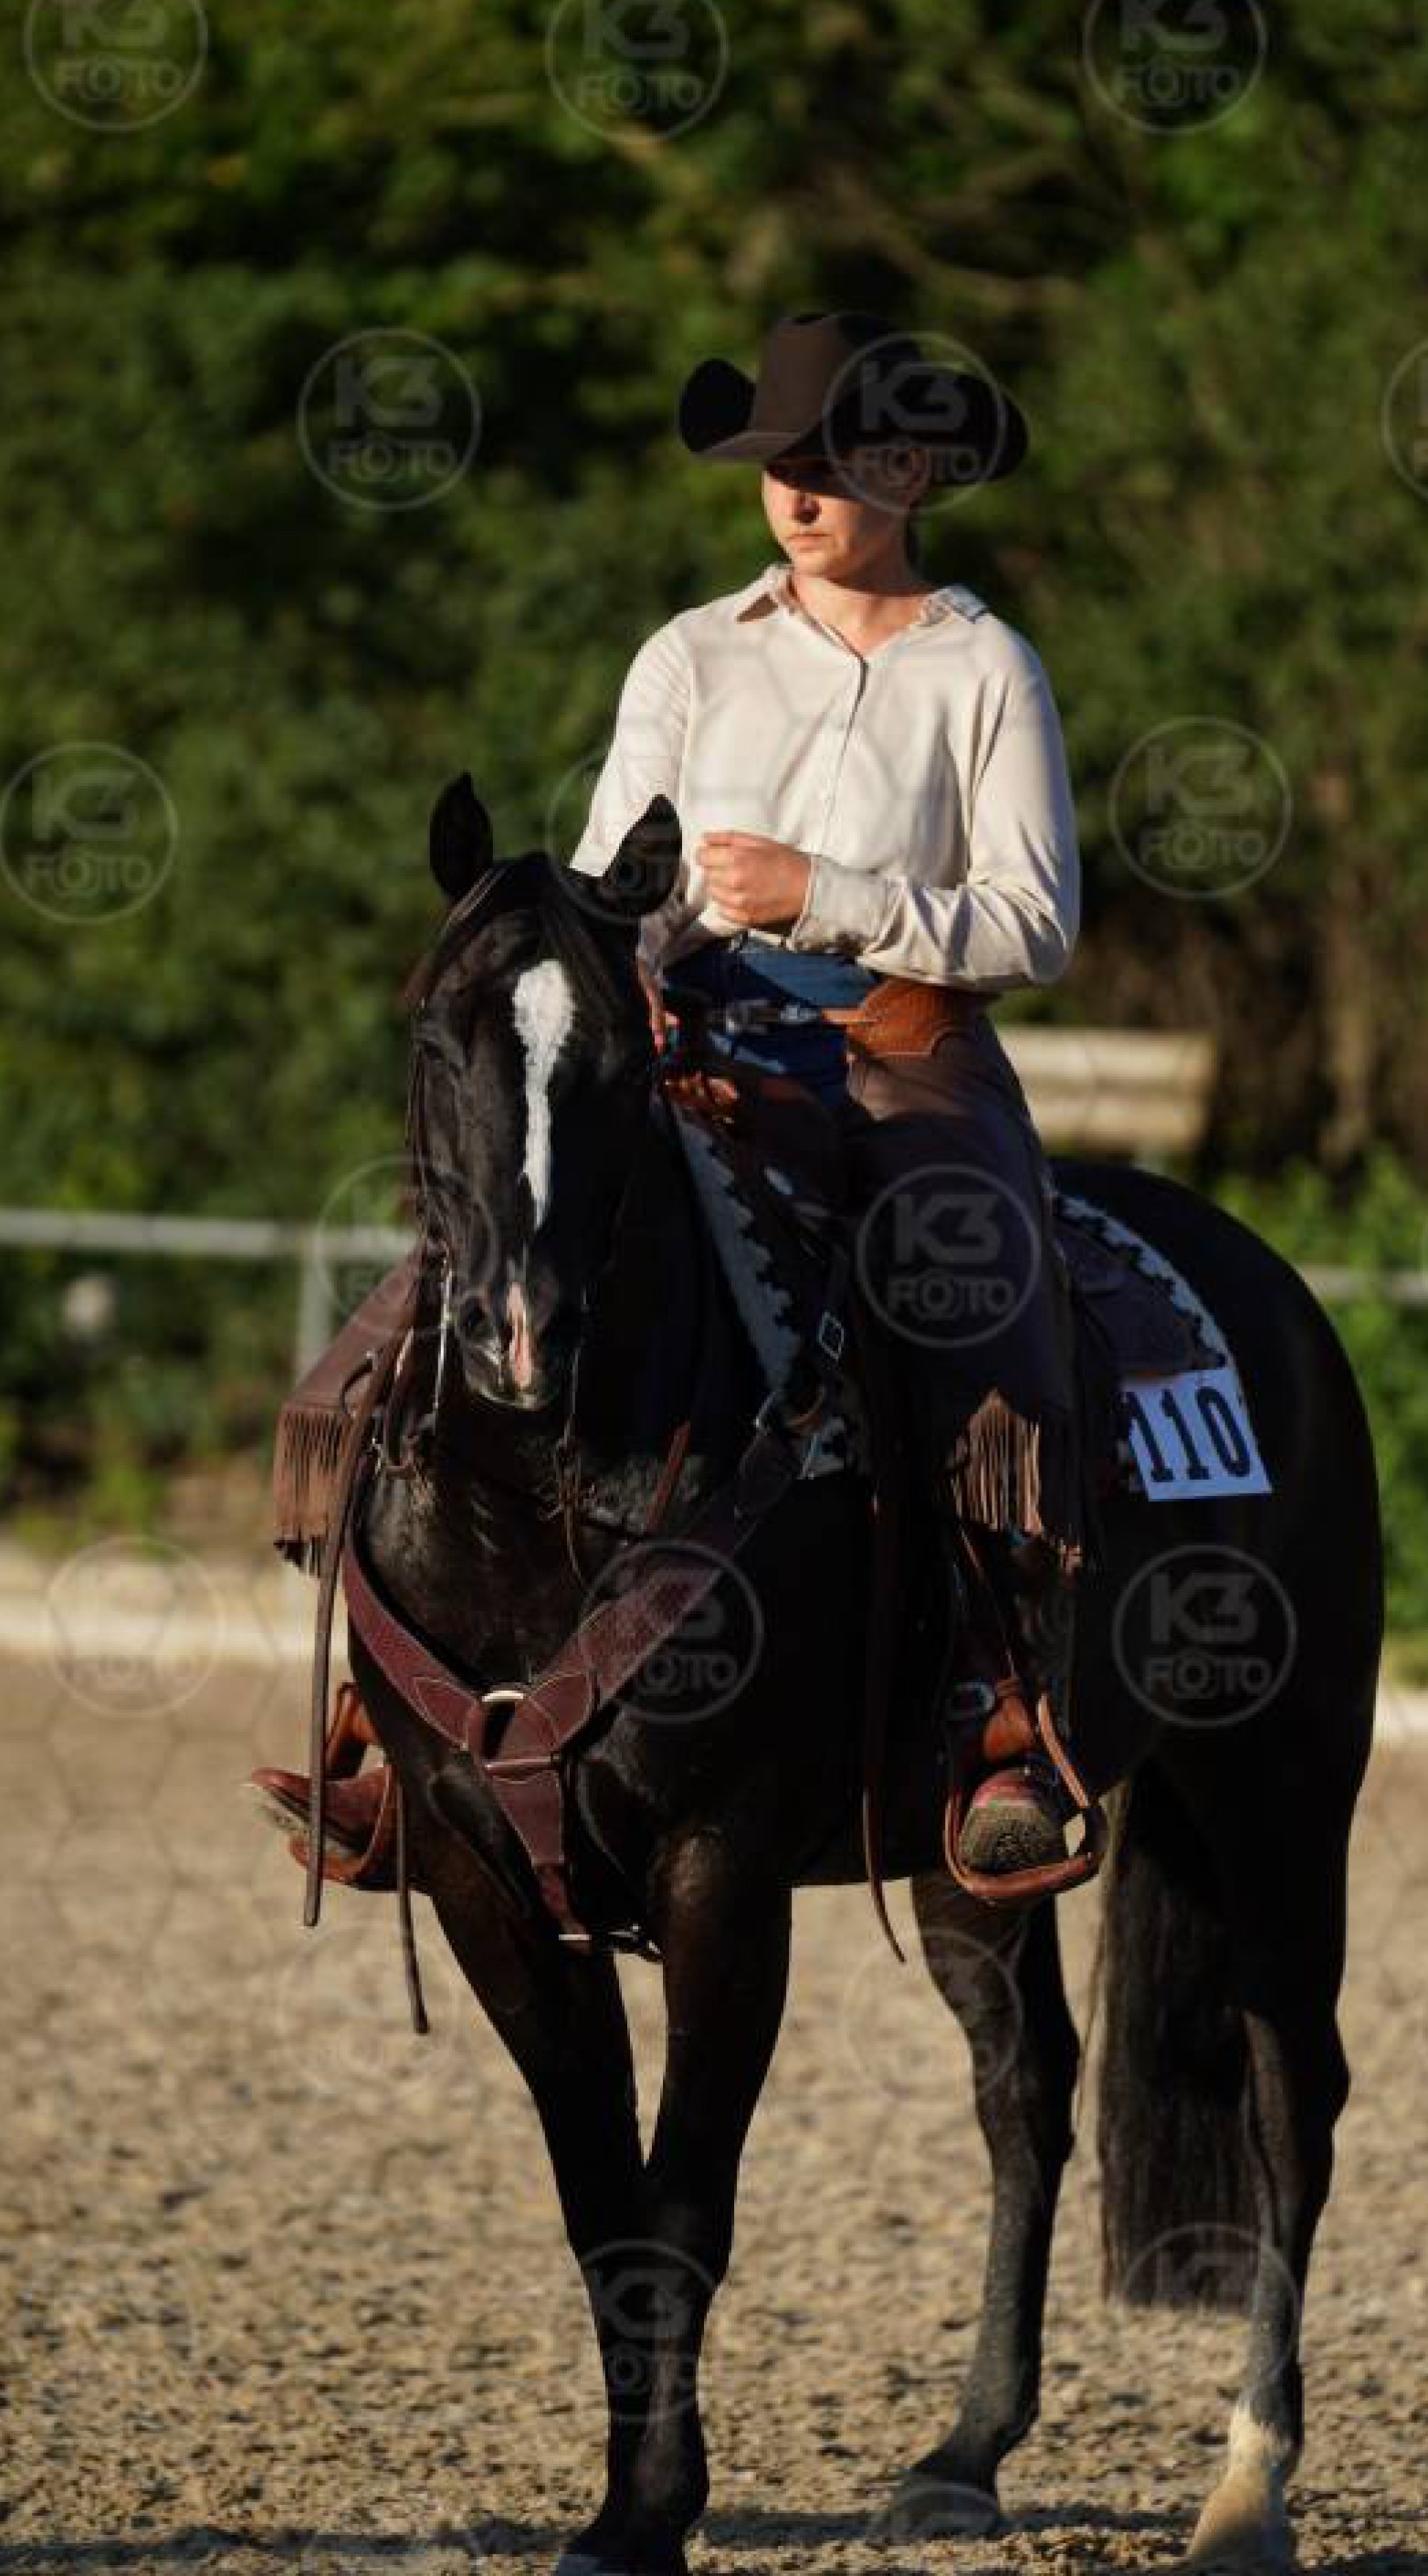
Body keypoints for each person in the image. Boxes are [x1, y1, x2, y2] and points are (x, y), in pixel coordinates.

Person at [568, 309, 1100, 1878]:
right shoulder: (690, 652)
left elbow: (1037, 924)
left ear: (915, 471)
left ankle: (999, 1707)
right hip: (694, 1032)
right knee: (511, 1213)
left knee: (968, 1270)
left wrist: (830, 892)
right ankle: (409, 1686)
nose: (795, 494)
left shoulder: (986, 667)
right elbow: (612, 880)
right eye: (774, 465)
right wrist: (630, 967)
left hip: (899, 1036)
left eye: (832, 463)